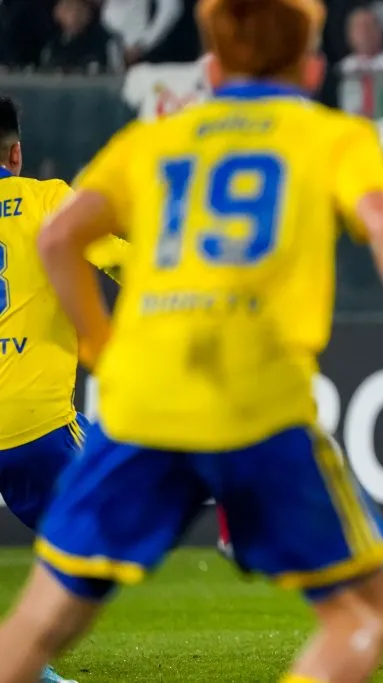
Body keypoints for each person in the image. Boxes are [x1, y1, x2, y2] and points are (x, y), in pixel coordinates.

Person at [0, 2, 383, 683]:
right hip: (254, 398)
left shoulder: (155, 140)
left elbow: (62, 239)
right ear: (313, 69)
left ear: (210, 70)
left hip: (141, 401)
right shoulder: (330, 135)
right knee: (364, 616)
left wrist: (99, 343)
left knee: (41, 619)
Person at [0, 95, 126, 683]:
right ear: (15, 154)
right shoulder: (49, 199)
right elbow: (119, 259)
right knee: (104, 533)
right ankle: (28, 661)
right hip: (36, 425)